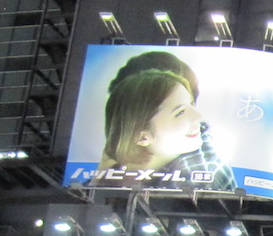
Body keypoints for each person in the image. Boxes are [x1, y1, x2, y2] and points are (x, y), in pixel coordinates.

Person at [91, 51, 234, 189]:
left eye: (189, 105)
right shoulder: (113, 169)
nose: (199, 117)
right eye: (180, 112)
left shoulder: (196, 174)